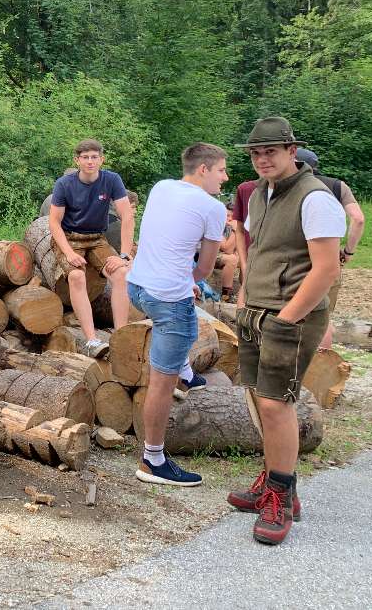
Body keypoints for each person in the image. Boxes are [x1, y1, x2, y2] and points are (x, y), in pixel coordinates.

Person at [228, 117, 344, 546]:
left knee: (278, 404)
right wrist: (244, 297)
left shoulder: (315, 198)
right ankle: (273, 481)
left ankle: (282, 495)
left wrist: (286, 318)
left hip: (289, 316)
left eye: (271, 151)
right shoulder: (260, 193)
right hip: (258, 310)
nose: (262, 159)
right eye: (256, 153)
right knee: (261, 401)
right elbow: (258, 251)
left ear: (292, 151)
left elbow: (327, 268)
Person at [127, 143, 229, 487]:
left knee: (182, 329)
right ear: (203, 169)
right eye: (221, 170)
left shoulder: (161, 187)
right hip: (168, 298)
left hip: (137, 287)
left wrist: (184, 278)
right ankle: (152, 459)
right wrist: (189, 279)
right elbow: (205, 266)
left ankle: (186, 371)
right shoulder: (213, 208)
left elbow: (165, 240)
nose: (224, 178)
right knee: (161, 382)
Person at [48, 139, 135, 358]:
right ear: (77, 160)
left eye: (94, 157)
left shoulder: (112, 180)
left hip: (97, 238)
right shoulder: (64, 184)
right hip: (69, 238)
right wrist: (68, 253)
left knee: (122, 273)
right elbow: (54, 222)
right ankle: (91, 340)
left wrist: (124, 254)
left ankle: (121, 334)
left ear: (101, 159)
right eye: (85, 157)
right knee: (77, 276)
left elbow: (127, 216)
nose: (90, 161)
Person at [296, 148, 366, 350]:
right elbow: (358, 219)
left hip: (294, 259)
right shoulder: (337, 186)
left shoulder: (285, 186)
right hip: (328, 259)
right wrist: (348, 251)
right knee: (323, 317)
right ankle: (321, 367)